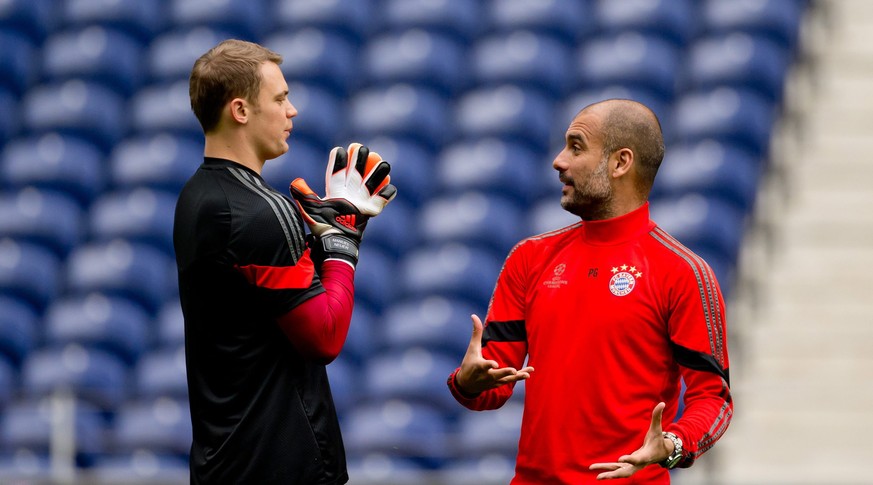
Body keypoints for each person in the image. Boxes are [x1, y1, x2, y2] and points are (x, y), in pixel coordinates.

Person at [447, 99, 732, 484]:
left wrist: (673, 443)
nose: (558, 161)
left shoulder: (683, 273)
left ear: (620, 163)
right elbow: (492, 384)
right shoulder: (529, 258)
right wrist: (468, 382)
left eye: (576, 147)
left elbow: (714, 399)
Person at [174, 39, 395, 484]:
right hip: (280, 463)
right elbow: (324, 337)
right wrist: (342, 248)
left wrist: (324, 240)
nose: (291, 111)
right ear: (240, 110)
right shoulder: (261, 212)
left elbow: (257, 305)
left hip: (222, 461)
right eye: (280, 99)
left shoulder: (196, 196)